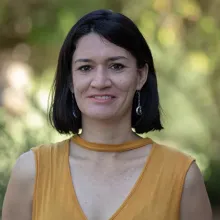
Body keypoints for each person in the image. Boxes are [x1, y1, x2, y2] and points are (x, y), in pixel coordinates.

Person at [2, 9, 212, 220]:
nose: (100, 82)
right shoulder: (32, 171)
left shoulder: (182, 176)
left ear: (140, 76)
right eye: (85, 68)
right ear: (70, 81)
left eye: (116, 66)